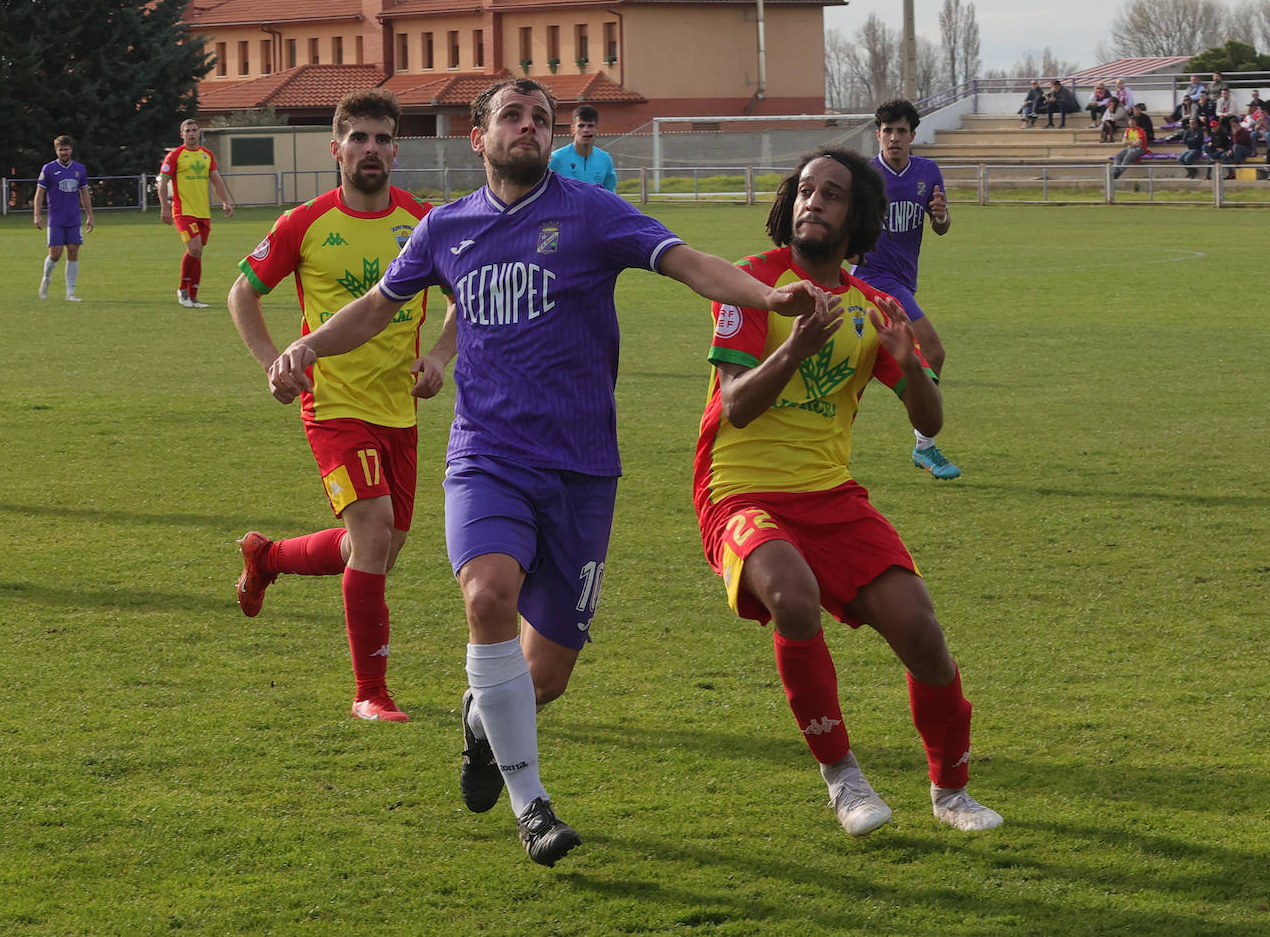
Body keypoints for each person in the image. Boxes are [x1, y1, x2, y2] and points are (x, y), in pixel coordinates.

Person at [265, 77, 825, 866]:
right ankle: (534, 808)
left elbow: (689, 262)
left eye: (541, 119)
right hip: (487, 456)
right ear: (478, 135)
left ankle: (478, 720)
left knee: (547, 674)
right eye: (512, 116)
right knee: (487, 594)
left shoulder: (590, 213)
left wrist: (771, 294)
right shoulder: (445, 230)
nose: (528, 127)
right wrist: (308, 346)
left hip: (585, 468)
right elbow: (378, 307)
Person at [694, 146, 1002, 838]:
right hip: (740, 492)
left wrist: (908, 366)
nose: (813, 202)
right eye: (805, 190)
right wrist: (795, 348)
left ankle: (951, 792)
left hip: (831, 497)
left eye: (831, 194)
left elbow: (930, 420)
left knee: (922, 630)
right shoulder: (753, 285)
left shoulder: (876, 308)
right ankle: (844, 778)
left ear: (855, 214)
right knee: (793, 596)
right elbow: (737, 406)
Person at [229, 90, 457, 723]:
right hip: (332, 406)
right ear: (336, 148)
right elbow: (241, 294)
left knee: (380, 548)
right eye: (358, 138)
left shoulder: (424, 221)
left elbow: (464, 295)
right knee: (375, 533)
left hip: (400, 410)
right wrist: (276, 362)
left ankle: (267, 557)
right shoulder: (304, 223)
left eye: (383, 138)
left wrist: (439, 355)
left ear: (395, 149)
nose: (372, 150)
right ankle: (370, 692)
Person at [852, 100, 960, 480]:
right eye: (887, 130)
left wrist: (943, 216)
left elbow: (940, 226)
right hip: (870, 276)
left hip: (902, 278)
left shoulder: (928, 172)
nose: (894, 138)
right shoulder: (864, 175)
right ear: (877, 133)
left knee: (854, 362)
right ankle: (925, 447)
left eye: (901, 131)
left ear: (913, 135)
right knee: (932, 349)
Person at [157, 118, 234, 308]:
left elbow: (216, 181)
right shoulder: (175, 156)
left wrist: (225, 202)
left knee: (198, 253)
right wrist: (164, 208)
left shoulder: (207, 155)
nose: (191, 134)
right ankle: (182, 289)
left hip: (203, 212)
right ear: (182, 135)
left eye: (194, 130)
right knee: (194, 249)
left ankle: (193, 296)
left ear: (199, 132)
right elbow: (163, 182)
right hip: (183, 211)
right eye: (188, 131)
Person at [33, 134, 94, 301]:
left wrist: (90, 215)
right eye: (61, 150)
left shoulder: (79, 169)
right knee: (55, 254)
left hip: (73, 218)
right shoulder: (49, 169)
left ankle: (70, 293)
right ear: (56, 150)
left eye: (66, 149)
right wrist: (37, 215)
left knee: (73, 252)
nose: (64, 152)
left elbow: (84, 193)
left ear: (71, 150)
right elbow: (40, 193)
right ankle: (46, 279)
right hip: (56, 219)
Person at [547, 105, 617, 189]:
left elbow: (610, 194)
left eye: (590, 126)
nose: (585, 130)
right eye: (581, 126)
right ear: (573, 129)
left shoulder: (605, 159)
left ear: (596, 129)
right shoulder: (556, 158)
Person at [1109, 112, 1149, 180]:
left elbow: (1138, 144)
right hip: (1129, 148)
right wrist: (1132, 142)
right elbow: (1123, 142)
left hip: (1140, 149)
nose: (1131, 123)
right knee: (1118, 156)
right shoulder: (1127, 130)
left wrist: (1129, 142)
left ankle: (1117, 174)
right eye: (1130, 122)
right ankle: (1116, 171)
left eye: (1133, 122)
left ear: (1136, 122)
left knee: (1128, 156)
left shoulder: (1140, 130)